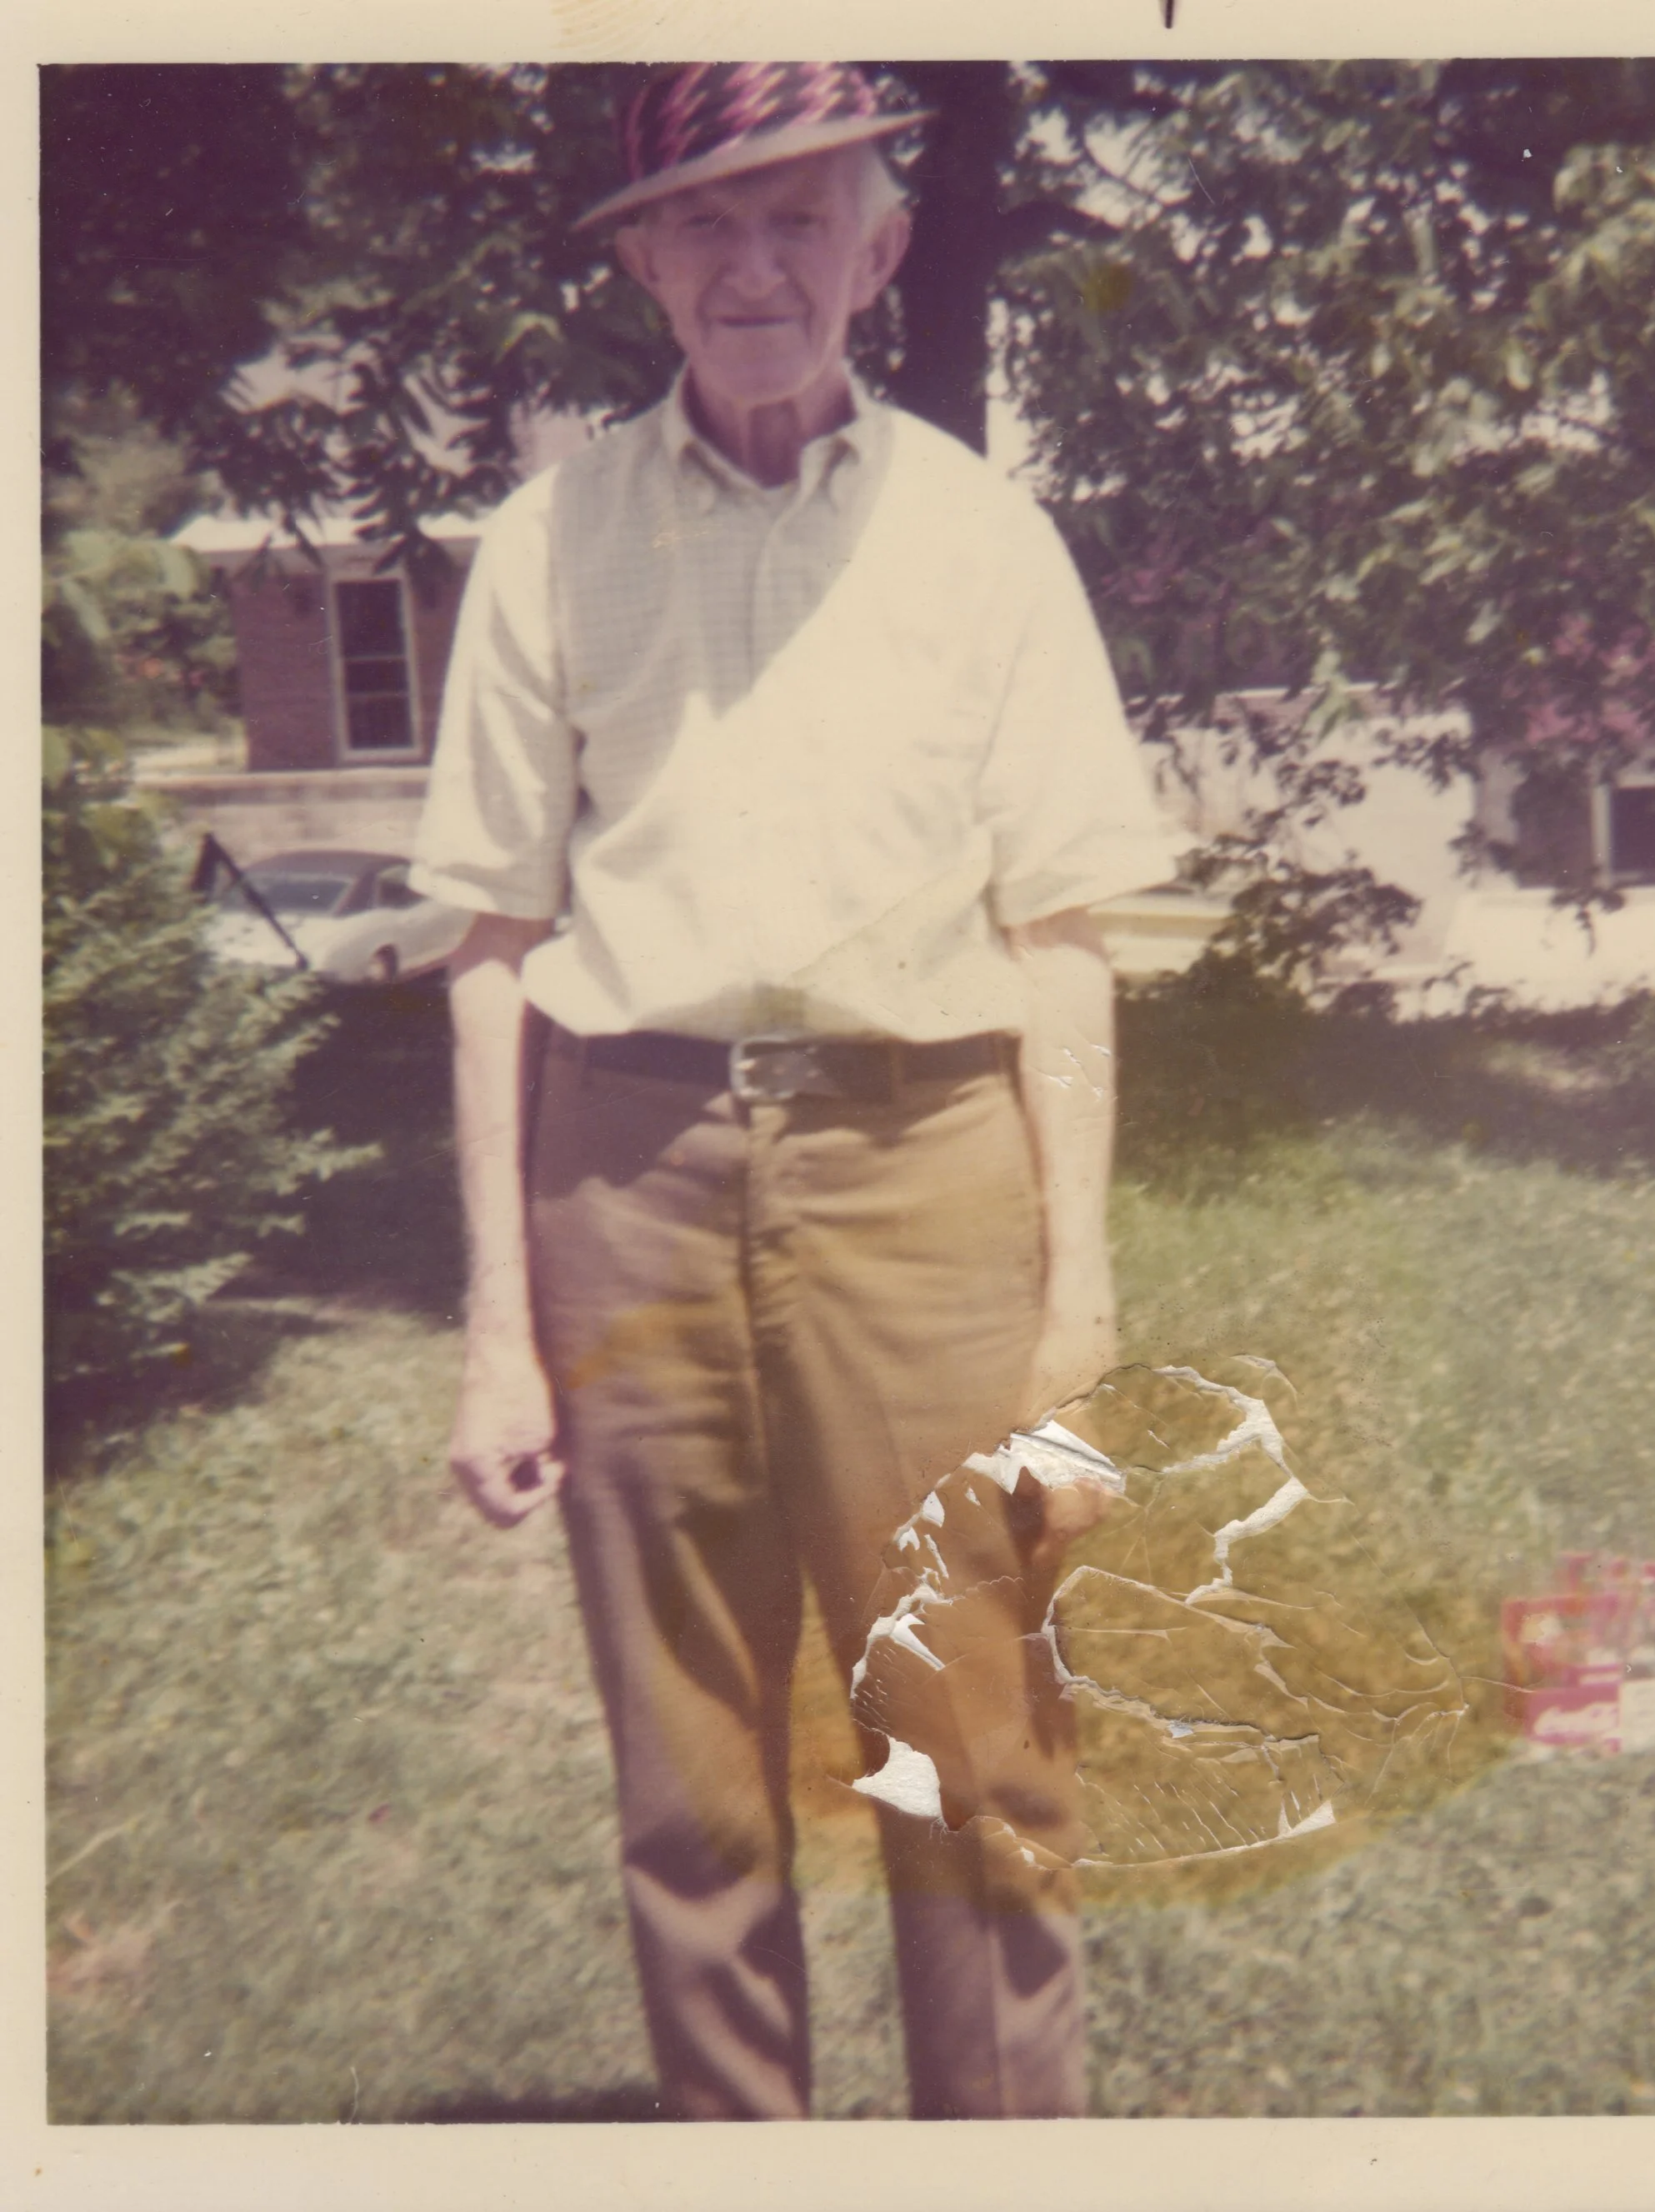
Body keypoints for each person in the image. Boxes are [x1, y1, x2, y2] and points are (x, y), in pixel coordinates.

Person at [409, 62, 1187, 2121]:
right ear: (642, 261)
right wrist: (497, 1332)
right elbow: (490, 943)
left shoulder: (981, 538)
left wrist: (1076, 1295)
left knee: (976, 1755)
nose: (751, 265)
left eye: (798, 216)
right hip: (624, 1180)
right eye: (704, 220)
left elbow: (1061, 932)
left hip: (925, 1175)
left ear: (881, 248)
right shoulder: (548, 541)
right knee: (687, 1785)